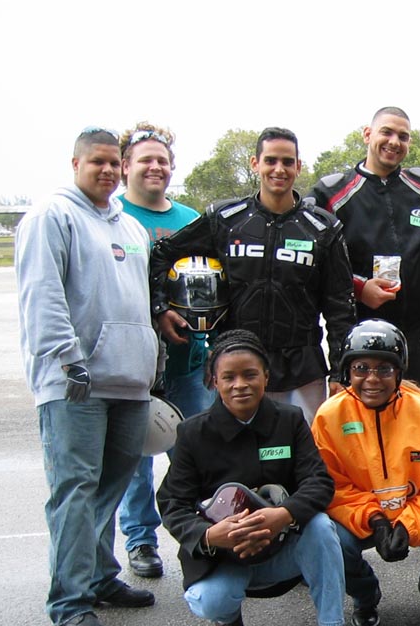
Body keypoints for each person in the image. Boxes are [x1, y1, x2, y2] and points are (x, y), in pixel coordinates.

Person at [15, 126, 158, 626]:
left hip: (130, 381)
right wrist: (68, 359)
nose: (108, 171)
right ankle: (69, 601)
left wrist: (151, 361)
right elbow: (42, 294)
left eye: (114, 163)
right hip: (76, 382)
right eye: (97, 162)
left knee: (110, 487)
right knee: (75, 491)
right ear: (75, 163)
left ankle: (99, 577)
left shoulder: (130, 226)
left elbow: (139, 300)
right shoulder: (51, 216)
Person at [156, 329, 361, 626]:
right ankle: (228, 618)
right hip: (228, 553)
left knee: (322, 527)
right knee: (210, 599)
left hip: (282, 545)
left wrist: (283, 515)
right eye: (229, 377)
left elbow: (319, 482)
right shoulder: (192, 433)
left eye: (250, 374)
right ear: (214, 381)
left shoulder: (290, 420)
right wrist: (210, 536)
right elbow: (172, 502)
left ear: (266, 377)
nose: (240, 385)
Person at [150, 127, 354, 424]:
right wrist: (161, 308)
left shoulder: (323, 228)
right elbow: (163, 253)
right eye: (271, 160)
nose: (279, 169)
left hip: (302, 372)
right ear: (255, 163)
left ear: (298, 166)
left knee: (302, 450)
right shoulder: (225, 219)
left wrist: (340, 372)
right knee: (234, 451)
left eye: (287, 162)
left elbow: (340, 307)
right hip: (235, 368)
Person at [309, 106, 420, 412]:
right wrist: (359, 287)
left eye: (403, 137)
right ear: (367, 134)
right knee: (366, 423)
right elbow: (309, 253)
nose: (394, 142)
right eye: (387, 132)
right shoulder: (332, 191)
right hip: (361, 329)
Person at [312, 319, 420, 626]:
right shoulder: (328, 417)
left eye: (384, 369)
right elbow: (331, 488)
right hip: (362, 517)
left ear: (399, 372)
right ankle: (365, 596)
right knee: (328, 539)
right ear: (347, 372)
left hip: (416, 513)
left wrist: (407, 525)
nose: (372, 379)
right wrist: (374, 519)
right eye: (361, 368)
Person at [114, 121, 205, 580]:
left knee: (197, 451)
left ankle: (204, 532)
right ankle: (140, 540)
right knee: (136, 456)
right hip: (134, 362)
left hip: (189, 362)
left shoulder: (190, 219)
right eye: (145, 159)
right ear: (125, 166)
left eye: (162, 160)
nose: (155, 167)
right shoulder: (114, 215)